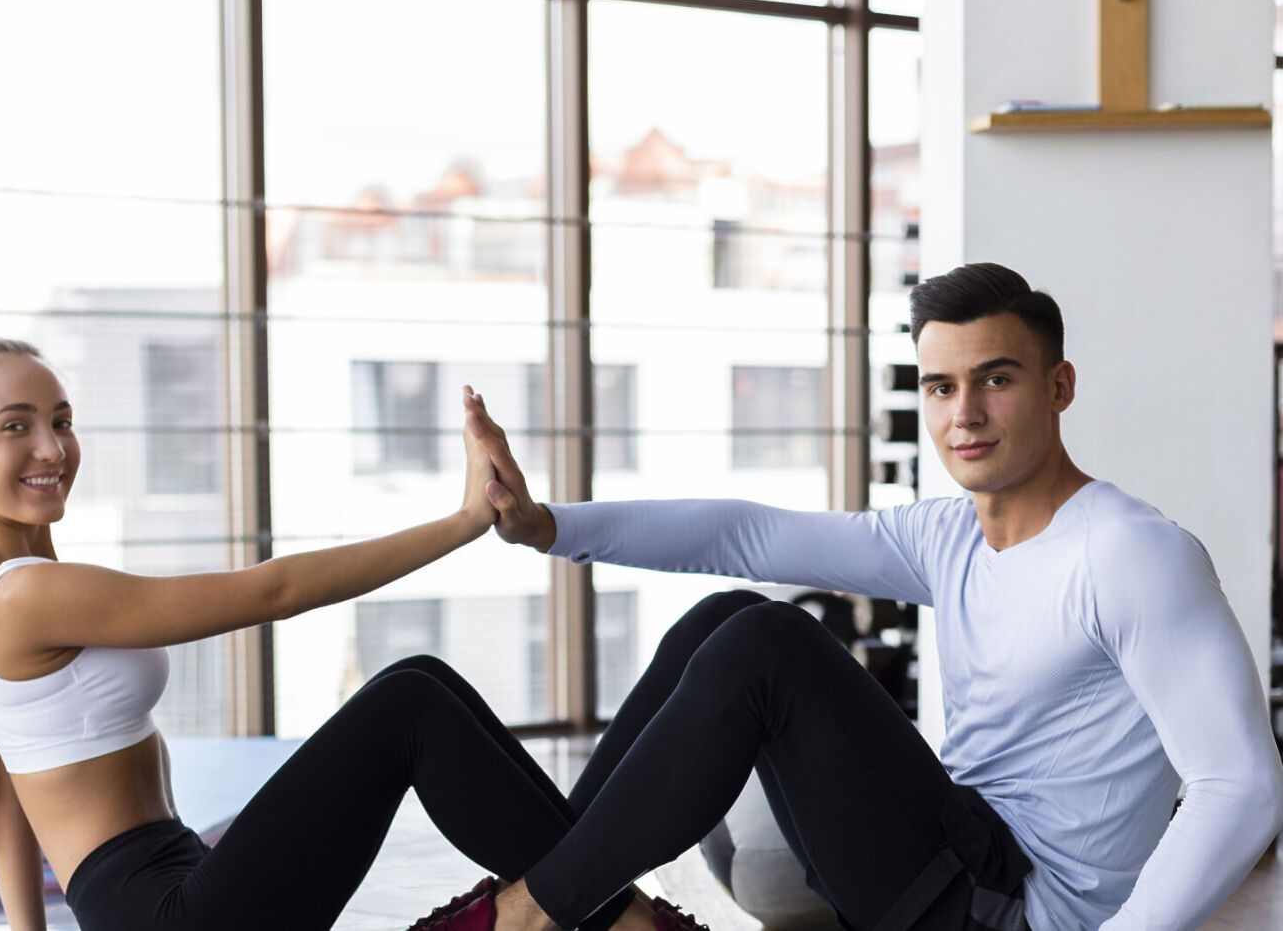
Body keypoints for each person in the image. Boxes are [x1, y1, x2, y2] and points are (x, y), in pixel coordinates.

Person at [439, 262, 1283, 931]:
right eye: (942, 387)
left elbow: (1241, 784)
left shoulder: (1131, 553)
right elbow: (749, 534)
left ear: (1059, 386)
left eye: (996, 380)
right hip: (953, 857)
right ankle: (571, 895)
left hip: (1016, 908)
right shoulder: (951, 534)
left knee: (767, 643)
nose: (965, 414)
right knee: (727, 617)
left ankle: (526, 915)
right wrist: (548, 525)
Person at [0, 339, 705, 931]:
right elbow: (272, 590)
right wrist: (463, 523)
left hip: (177, 887)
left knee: (427, 687)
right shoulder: (26, 595)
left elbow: (8, 788)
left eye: (62, 420)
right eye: (16, 426)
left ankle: (609, 905)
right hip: (169, 915)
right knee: (410, 702)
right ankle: (624, 917)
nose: (52, 447)